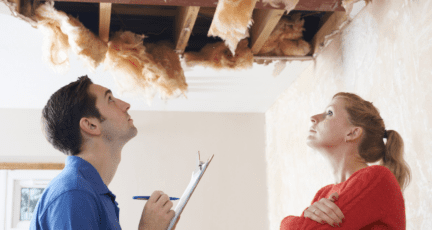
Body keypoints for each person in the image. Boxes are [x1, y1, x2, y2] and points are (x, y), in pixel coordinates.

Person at [30, 75, 179, 230]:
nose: (126, 105)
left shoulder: (92, 194)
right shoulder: (75, 193)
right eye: (110, 100)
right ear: (91, 125)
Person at [280, 92, 411, 229]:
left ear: (352, 133)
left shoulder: (377, 177)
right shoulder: (323, 194)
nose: (313, 118)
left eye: (329, 113)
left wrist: (286, 222)